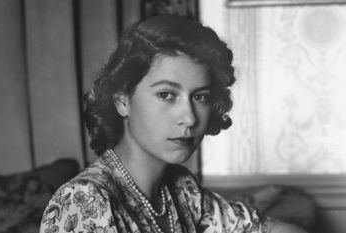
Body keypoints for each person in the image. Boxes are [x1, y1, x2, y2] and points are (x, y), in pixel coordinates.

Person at [40, 15, 306, 233]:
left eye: (199, 97)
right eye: (166, 95)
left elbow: (265, 229)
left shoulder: (180, 188)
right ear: (122, 101)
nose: (189, 118)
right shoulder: (84, 200)